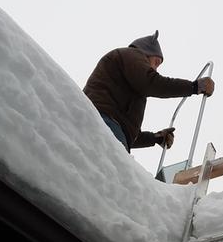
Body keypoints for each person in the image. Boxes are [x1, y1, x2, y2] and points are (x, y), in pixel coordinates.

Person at [84, 30, 215, 153]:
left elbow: (130, 136)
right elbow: (152, 82)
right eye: (156, 62)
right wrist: (194, 87)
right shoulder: (131, 55)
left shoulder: (129, 86)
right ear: (145, 52)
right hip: (103, 122)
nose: (155, 69)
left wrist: (156, 138)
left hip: (107, 127)